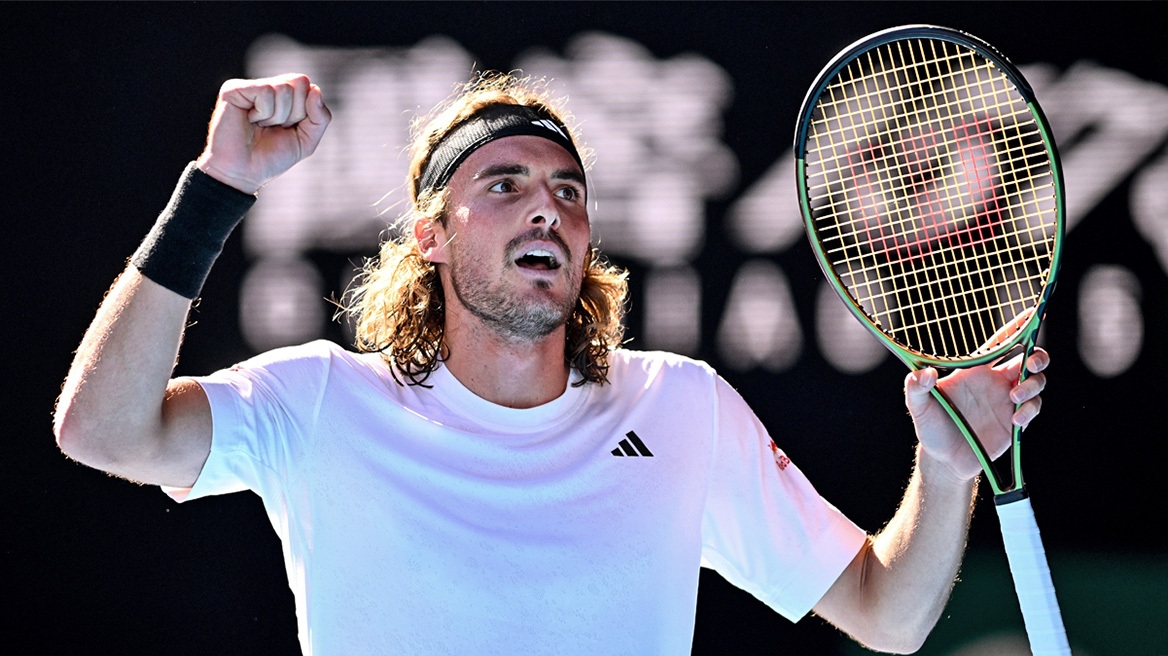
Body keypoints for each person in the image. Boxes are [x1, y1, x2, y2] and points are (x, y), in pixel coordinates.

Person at [54, 71, 1048, 655]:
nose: (547, 208)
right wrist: (218, 186)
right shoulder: (317, 399)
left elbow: (885, 613)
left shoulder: (680, 407)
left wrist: (946, 466)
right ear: (431, 236)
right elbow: (102, 431)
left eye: (569, 191)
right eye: (505, 184)